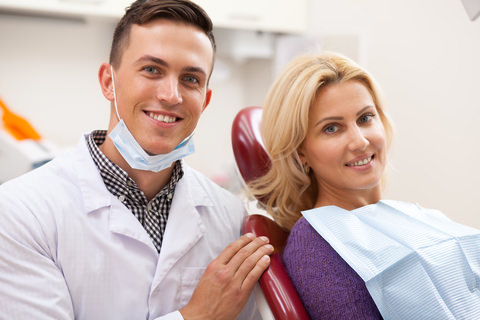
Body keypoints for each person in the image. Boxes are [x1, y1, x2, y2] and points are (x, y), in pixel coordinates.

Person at [0, 1, 273, 319]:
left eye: (191, 79)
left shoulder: (229, 216)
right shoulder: (21, 212)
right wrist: (195, 316)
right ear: (107, 82)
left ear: (205, 99)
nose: (171, 95)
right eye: (152, 70)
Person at [247, 52, 480, 319]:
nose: (359, 141)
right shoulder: (316, 244)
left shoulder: (411, 215)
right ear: (301, 152)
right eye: (332, 128)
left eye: (365, 118)